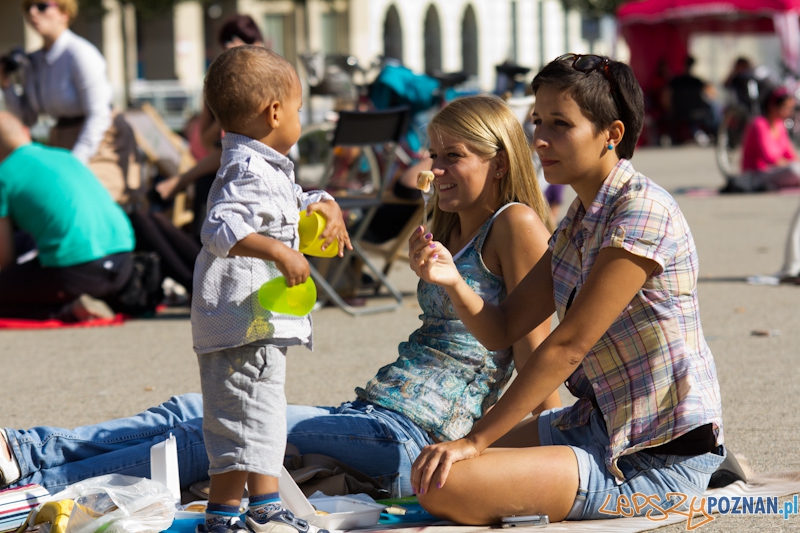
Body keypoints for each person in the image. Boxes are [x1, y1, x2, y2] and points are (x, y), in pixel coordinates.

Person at [0, 95, 560, 504]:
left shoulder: (517, 223)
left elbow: (535, 349)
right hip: (375, 412)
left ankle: (38, 488)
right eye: (434, 154)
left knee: (227, 437)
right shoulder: (450, 225)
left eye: (453, 157)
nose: (435, 170)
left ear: (501, 161)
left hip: (414, 435)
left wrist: (527, 447)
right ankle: (25, 450)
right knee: (193, 410)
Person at [408, 54, 725, 525]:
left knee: (447, 480)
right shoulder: (578, 221)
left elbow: (568, 346)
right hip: (598, 426)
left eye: (560, 124)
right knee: (428, 464)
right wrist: (453, 280)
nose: (538, 138)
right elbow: (503, 329)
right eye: (538, 120)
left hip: (654, 454)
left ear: (611, 135)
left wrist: (476, 441)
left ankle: (695, 481)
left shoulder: (641, 211)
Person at [192, 45, 351, 533]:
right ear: (275, 112)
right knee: (238, 417)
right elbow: (219, 227)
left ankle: (263, 504)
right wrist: (280, 252)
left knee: (260, 412)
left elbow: (283, 203)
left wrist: (325, 203)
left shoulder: (265, 165)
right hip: (242, 318)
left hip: (255, 318)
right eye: (300, 109)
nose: (301, 118)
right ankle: (222, 515)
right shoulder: (245, 168)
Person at [0, 111, 135, 322]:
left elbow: (4, 257)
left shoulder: (3, 175)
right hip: (123, 265)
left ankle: (68, 310)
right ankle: (96, 299)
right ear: (26, 132)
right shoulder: (65, 156)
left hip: (76, 274)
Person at [0, 0, 139, 204]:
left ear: (65, 13)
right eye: (28, 6)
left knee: (96, 202)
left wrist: (75, 162)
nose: (32, 12)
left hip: (102, 139)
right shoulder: (32, 61)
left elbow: (99, 114)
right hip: (62, 137)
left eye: (41, 6)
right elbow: (27, 119)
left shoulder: (80, 53)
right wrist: (6, 85)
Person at [156, 14, 266, 240]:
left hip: (254, 166)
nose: (232, 51)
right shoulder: (217, 81)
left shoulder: (270, 77)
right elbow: (206, 141)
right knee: (212, 178)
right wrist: (226, 107)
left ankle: (181, 182)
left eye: (242, 45)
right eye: (228, 46)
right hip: (219, 165)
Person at [736, 86, 800, 192]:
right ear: (773, 106)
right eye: (786, 107)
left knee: (795, 168)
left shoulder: (780, 125)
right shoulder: (759, 124)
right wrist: (789, 163)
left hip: (775, 170)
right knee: (794, 170)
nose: (789, 112)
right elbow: (769, 158)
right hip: (757, 174)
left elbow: (789, 154)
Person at [665, 55, 718, 145]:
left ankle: (701, 134)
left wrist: (670, 109)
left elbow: (666, 98)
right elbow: (712, 94)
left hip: (679, 111)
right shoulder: (696, 81)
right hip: (693, 111)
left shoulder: (675, 81)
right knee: (714, 108)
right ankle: (715, 134)